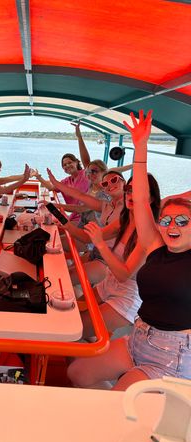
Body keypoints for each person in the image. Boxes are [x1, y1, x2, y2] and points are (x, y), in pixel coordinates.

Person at [67, 110, 191, 391]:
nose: (173, 225)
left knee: (119, 403)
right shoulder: (156, 245)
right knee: (79, 373)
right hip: (138, 336)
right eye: (167, 219)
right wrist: (141, 147)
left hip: (172, 354)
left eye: (183, 221)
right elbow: (141, 199)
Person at [76, 174, 160, 339]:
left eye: (139, 191)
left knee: (75, 329)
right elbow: (89, 237)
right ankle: (97, 342)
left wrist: (99, 244)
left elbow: (124, 275)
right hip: (109, 283)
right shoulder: (125, 221)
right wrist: (62, 221)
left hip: (127, 296)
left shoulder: (149, 233)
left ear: (150, 199)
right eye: (129, 190)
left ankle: (98, 350)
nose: (131, 194)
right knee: (73, 310)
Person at [48, 168, 126, 285]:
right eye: (105, 183)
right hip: (96, 251)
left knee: (66, 277)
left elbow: (86, 238)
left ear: (124, 182)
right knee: (64, 272)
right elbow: (80, 195)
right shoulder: (106, 205)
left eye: (114, 180)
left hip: (109, 260)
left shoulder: (128, 211)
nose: (110, 184)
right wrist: (56, 183)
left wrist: (64, 221)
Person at [33, 122, 90, 224]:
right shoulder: (67, 181)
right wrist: (38, 177)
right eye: (64, 165)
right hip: (73, 216)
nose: (67, 166)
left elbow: (87, 162)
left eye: (70, 162)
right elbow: (52, 188)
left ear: (77, 162)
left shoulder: (85, 174)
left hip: (86, 217)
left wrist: (79, 137)